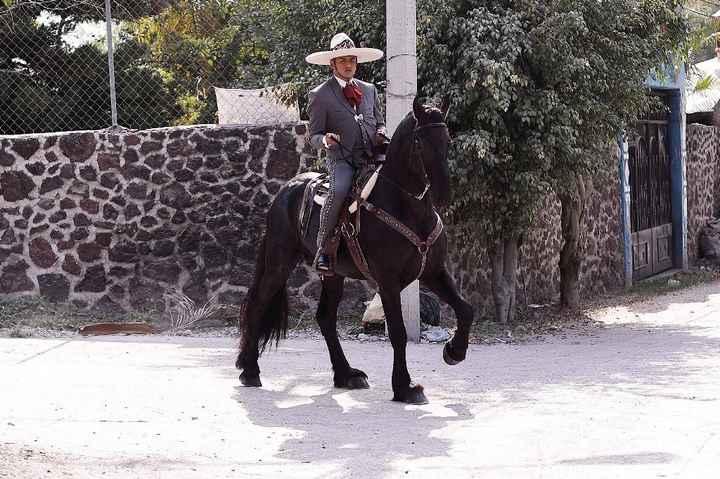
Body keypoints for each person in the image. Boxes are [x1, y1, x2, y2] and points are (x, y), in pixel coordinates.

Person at [305, 32, 388, 275]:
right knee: (340, 189)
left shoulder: (370, 90)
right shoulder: (320, 94)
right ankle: (324, 249)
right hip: (341, 160)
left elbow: (379, 122)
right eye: (342, 61)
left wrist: (381, 131)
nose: (348, 64)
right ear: (333, 64)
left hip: (371, 157)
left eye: (352, 59)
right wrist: (326, 140)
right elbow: (314, 136)